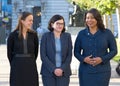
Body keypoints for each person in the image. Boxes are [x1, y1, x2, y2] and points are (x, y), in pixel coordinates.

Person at [74, 8, 117, 86]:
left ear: (97, 19)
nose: (89, 20)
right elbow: (76, 52)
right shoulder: (81, 34)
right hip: (85, 72)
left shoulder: (107, 33)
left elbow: (114, 50)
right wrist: (84, 59)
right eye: (87, 18)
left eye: (92, 18)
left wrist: (102, 59)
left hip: (103, 72)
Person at [7, 11, 39, 86]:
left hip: (31, 65)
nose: (31, 22)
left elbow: (36, 52)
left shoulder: (33, 35)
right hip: (17, 66)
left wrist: (30, 60)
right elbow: (9, 54)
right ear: (22, 21)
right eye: (29, 20)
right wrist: (15, 63)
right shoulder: (13, 35)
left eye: (32, 20)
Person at [40, 14, 72, 86]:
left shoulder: (67, 36)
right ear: (52, 24)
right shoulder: (45, 36)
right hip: (48, 72)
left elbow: (69, 55)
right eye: (57, 23)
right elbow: (43, 56)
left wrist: (62, 69)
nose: (60, 26)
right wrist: (54, 69)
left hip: (64, 73)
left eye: (62, 24)